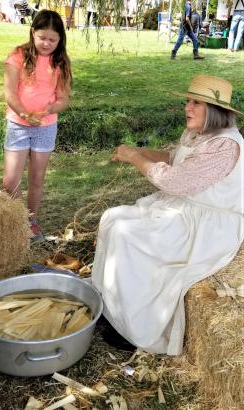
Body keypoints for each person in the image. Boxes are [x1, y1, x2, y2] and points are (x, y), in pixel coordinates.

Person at [92, 75, 243, 355]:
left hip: (206, 224)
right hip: (183, 208)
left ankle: (134, 327)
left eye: (196, 102)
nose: (187, 106)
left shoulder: (225, 146)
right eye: (188, 100)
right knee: (112, 219)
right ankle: (111, 306)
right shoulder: (199, 134)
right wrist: (138, 151)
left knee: (129, 234)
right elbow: (175, 158)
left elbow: (176, 182)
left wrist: (136, 159)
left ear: (215, 110)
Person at [3, 10, 72, 241]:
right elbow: (9, 93)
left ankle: (31, 221)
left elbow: (63, 98)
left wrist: (52, 108)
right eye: (42, 37)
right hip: (18, 124)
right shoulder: (18, 56)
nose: (46, 43)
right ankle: (17, 218)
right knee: (10, 180)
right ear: (33, 32)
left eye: (53, 39)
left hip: (45, 126)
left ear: (60, 39)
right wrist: (23, 113)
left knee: (36, 178)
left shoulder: (60, 61)